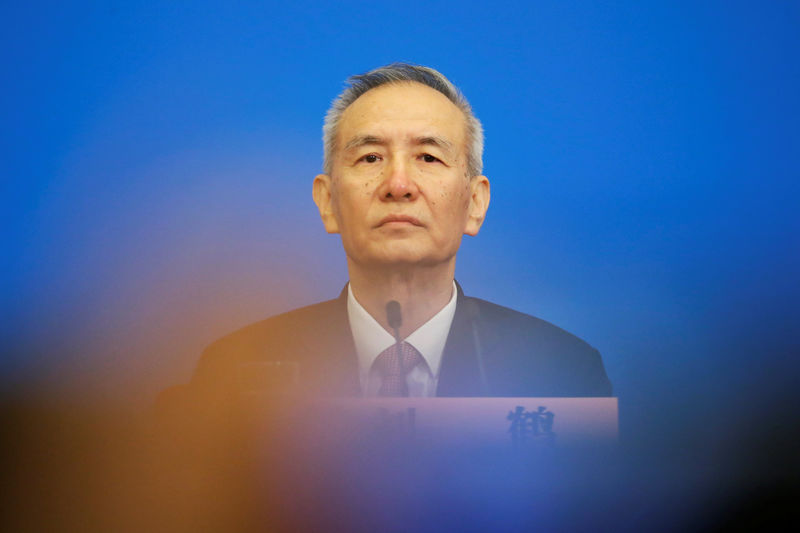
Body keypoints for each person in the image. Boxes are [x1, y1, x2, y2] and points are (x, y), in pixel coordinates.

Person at [189, 63, 612, 402]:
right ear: (327, 202)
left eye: (428, 157)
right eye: (371, 157)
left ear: (475, 203)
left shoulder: (558, 370)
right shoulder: (235, 371)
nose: (398, 184)